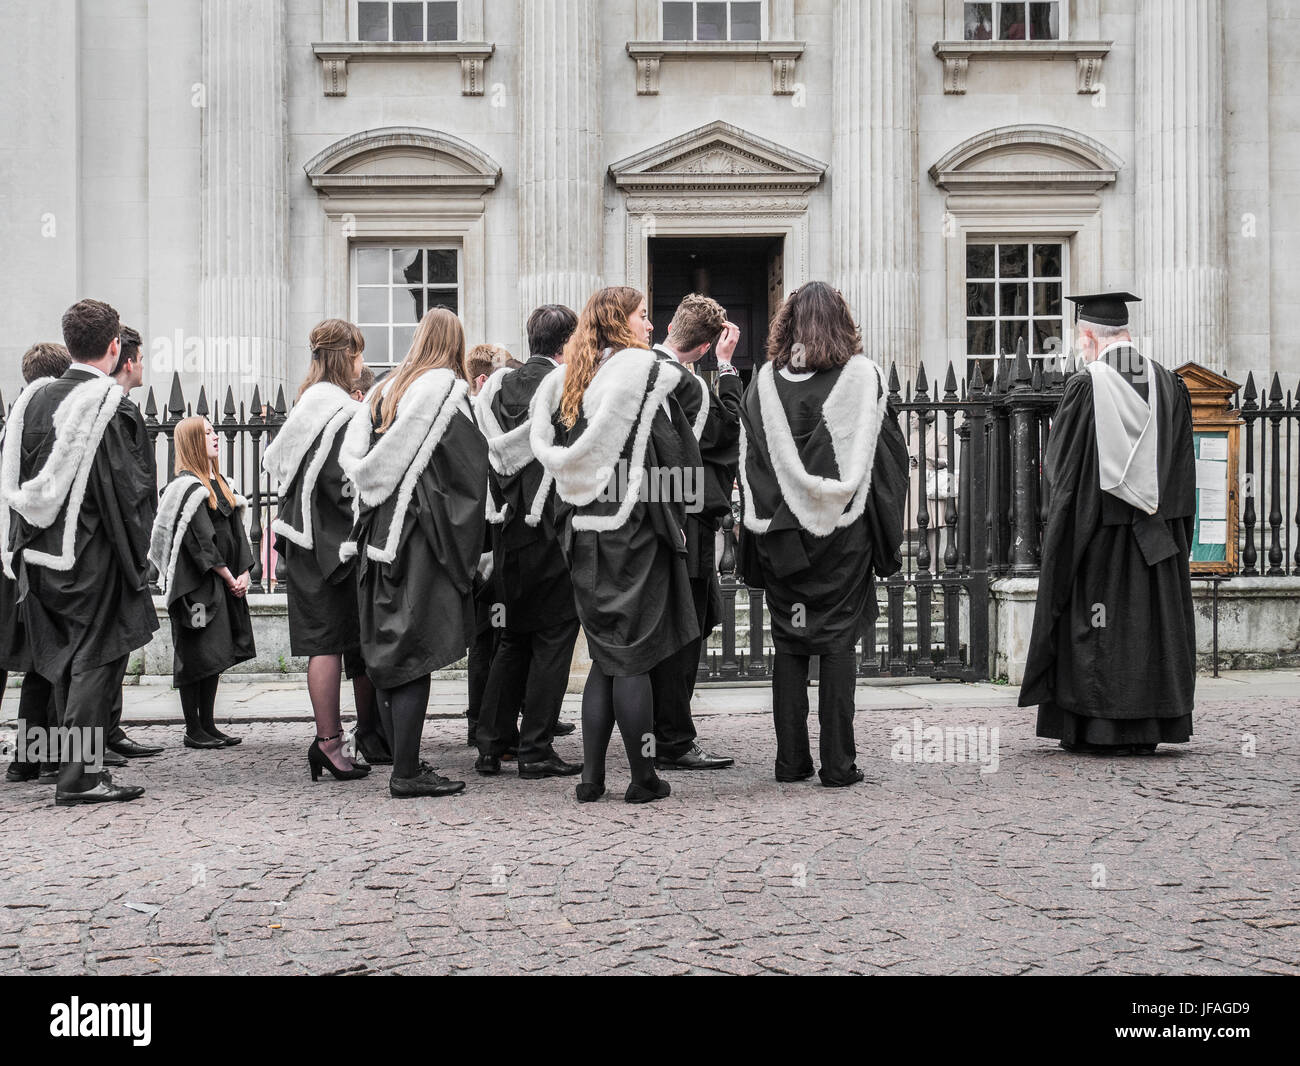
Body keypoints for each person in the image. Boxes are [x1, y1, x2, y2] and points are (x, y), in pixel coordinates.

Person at [530, 286, 700, 804]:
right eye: (644, 316)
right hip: (633, 534)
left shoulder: (570, 380)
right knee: (632, 660)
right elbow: (679, 466)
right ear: (622, 323)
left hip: (583, 536)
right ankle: (643, 777)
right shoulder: (639, 378)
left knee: (605, 657)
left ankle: (591, 777)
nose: (652, 327)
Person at [737, 282, 908, 787]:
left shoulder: (763, 382)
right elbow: (888, 462)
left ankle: (790, 762)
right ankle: (838, 764)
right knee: (837, 646)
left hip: (782, 537)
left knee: (789, 646)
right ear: (842, 322)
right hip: (842, 535)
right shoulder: (862, 378)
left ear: (786, 323)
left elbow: (752, 466)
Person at [1018, 292, 1196, 754]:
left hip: (1100, 539)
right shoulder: (1169, 383)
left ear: (1090, 336)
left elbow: (1065, 478)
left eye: (1081, 339)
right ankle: (1149, 727)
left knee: (1100, 629)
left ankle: (1098, 728)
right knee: (1149, 630)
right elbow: (1181, 473)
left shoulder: (1086, 385)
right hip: (1158, 543)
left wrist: (1059, 537)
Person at [1, 299, 158, 805]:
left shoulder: (33, 400)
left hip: (35, 556)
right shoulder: (109, 405)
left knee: (56, 664)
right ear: (115, 347)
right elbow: (129, 495)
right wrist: (141, 561)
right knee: (94, 662)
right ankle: (78, 777)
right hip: (91, 557)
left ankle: (52, 762)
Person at [340, 306, 487, 798]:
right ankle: (406, 770)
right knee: (415, 653)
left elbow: (360, 466)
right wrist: (471, 551)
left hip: (376, 534)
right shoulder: (444, 390)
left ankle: (402, 758)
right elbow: (466, 473)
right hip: (418, 537)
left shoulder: (384, 390)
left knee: (390, 648)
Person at [263, 319, 382, 779]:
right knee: (333, 645)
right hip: (329, 544)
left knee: (328, 644)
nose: (363, 364)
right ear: (344, 357)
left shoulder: (307, 404)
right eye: (358, 355)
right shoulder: (341, 412)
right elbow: (342, 484)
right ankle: (331, 744)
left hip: (299, 539)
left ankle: (338, 739)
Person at [473, 305, 583, 779]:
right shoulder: (561, 388)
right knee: (556, 637)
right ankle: (536, 748)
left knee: (513, 638)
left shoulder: (496, 386)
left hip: (505, 525)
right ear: (566, 344)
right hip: (550, 524)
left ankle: (492, 744)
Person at [649, 294, 741, 772]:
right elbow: (726, 432)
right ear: (705, 347)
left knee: (660, 624)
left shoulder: (634, 371)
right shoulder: (688, 385)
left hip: (645, 515)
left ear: (669, 326)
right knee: (685, 631)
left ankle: (651, 731)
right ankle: (674, 738)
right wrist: (727, 369)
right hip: (687, 520)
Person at [148, 417, 256, 749]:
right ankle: (193, 728)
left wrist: (246, 573)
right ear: (193, 441)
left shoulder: (223, 483)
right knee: (196, 653)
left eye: (214, 431)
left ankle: (208, 724)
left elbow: (239, 533)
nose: (215, 436)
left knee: (215, 653)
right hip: (196, 586)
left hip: (224, 583)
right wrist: (227, 575)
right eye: (207, 433)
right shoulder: (185, 488)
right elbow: (200, 542)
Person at [2, 343, 72, 785]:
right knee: (49, 664)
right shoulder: (48, 421)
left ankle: (29, 760)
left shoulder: (15, 424)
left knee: (34, 665)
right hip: (40, 559)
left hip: (14, 557)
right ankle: (52, 759)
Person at [99, 324, 166, 762]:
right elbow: (133, 484)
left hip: (122, 541)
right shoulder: (115, 411)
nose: (144, 367)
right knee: (105, 648)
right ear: (127, 360)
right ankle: (90, 745)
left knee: (117, 647)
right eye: (141, 358)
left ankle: (109, 729)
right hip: (117, 545)